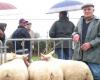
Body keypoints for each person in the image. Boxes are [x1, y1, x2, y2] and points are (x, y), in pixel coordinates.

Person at [72, 3, 100, 80]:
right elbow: (74, 31)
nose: (87, 11)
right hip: (79, 55)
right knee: (79, 75)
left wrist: (91, 44)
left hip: (93, 56)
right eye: (85, 10)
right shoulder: (80, 20)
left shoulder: (98, 21)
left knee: (96, 75)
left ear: (93, 10)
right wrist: (75, 34)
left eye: (89, 9)